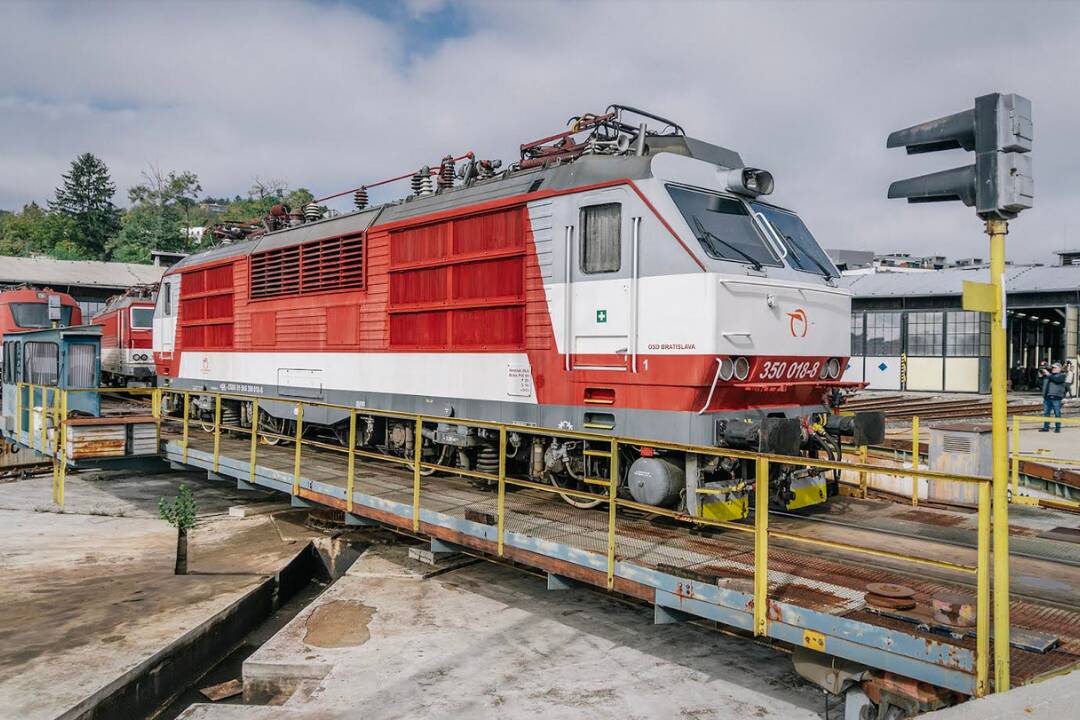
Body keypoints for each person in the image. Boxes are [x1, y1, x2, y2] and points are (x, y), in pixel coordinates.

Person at [1040, 362, 1067, 433]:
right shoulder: (1049, 376)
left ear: (1059, 369)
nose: (1053, 369)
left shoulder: (1062, 376)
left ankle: (1058, 428)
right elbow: (1041, 383)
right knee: (1046, 413)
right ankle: (1046, 427)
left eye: (1055, 368)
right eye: (1053, 367)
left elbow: (1057, 380)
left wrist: (1048, 374)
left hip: (1056, 398)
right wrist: (1042, 374)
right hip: (1047, 397)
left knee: (1057, 413)